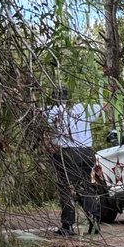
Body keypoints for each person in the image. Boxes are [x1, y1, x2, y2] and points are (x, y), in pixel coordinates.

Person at [44, 87, 101, 236]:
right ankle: (94, 220)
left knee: (66, 188)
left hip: (67, 153)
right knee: (86, 187)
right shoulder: (82, 107)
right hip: (87, 152)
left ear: (54, 98)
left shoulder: (53, 111)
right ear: (68, 97)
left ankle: (67, 226)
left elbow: (39, 118)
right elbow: (101, 106)